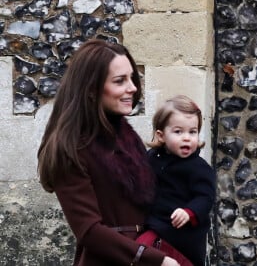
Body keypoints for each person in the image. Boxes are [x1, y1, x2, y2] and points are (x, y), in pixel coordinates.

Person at [37, 39, 182, 266]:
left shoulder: (126, 136)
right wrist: (155, 260)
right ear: (92, 90)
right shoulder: (69, 149)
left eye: (132, 78)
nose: (132, 87)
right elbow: (89, 231)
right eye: (119, 81)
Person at [137, 95, 216, 266]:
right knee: (136, 251)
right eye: (178, 131)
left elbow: (205, 197)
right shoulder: (151, 158)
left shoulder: (198, 167)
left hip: (183, 236)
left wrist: (189, 211)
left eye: (192, 131)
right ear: (161, 135)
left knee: (143, 249)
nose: (187, 137)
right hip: (155, 226)